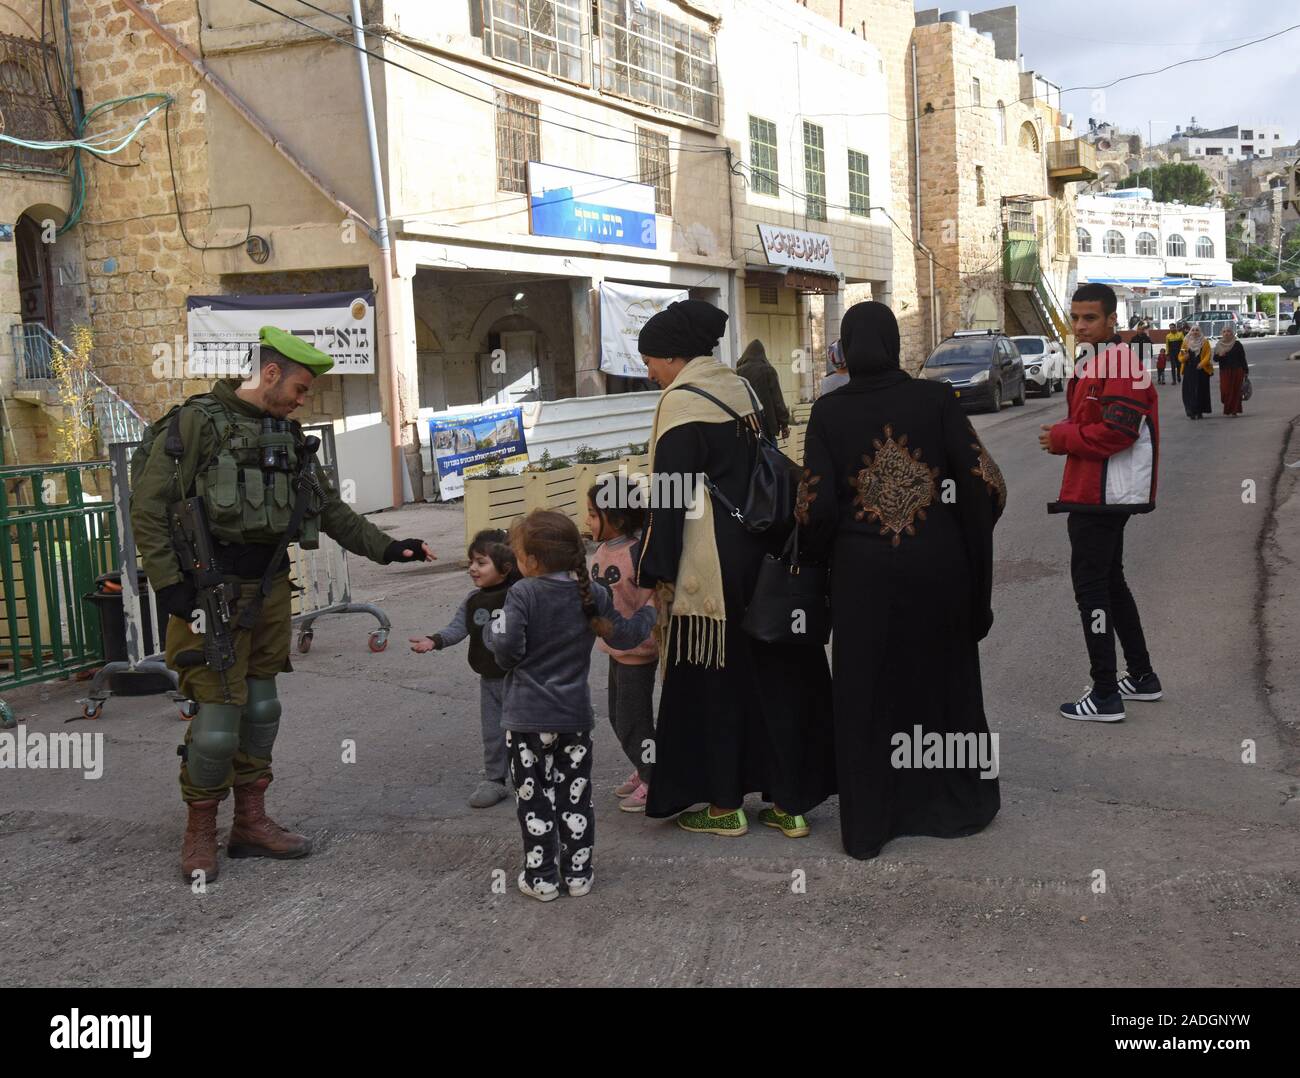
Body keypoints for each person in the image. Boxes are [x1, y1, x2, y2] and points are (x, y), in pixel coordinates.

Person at [130, 326, 433, 883]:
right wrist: (169, 585)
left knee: (263, 710)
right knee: (219, 723)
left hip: (267, 591)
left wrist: (389, 548)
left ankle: (250, 822)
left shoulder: (287, 438)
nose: (302, 399)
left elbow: (329, 510)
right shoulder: (196, 423)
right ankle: (200, 828)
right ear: (269, 373)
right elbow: (149, 506)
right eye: (298, 387)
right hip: (207, 592)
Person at [798, 301, 1005, 860]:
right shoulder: (936, 400)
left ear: (845, 348)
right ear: (893, 345)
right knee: (942, 681)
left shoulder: (829, 413)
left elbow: (813, 511)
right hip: (937, 571)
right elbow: (985, 484)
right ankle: (953, 803)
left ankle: (874, 820)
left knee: (869, 692)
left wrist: (817, 563)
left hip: (862, 581)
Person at [633, 299, 835, 839]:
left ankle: (724, 806)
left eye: (650, 359)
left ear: (674, 357)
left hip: (712, 570)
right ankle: (789, 805)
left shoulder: (680, 404)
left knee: (716, 686)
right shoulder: (739, 388)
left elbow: (672, 497)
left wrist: (653, 569)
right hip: (764, 559)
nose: (648, 371)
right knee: (776, 680)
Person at [485, 510, 657, 902]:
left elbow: (508, 649)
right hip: (574, 720)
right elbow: (625, 635)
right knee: (574, 797)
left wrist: (493, 635)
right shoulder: (592, 592)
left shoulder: (523, 593)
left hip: (527, 719)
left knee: (534, 799)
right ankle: (578, 874)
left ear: (530, 560)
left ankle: (542, 877)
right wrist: (650, 610)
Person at [1039, 283, 1162, 722]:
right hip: (1094, 492)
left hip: (1102, 496)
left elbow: (1120, 431)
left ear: (1113, 320)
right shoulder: (1097, 360)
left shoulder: (1122, 363)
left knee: (1091, 589)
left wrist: (1062, 438)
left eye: (1089, 318)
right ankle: (1143, 677)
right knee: (1111, 582)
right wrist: (1067, 431)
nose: (1079, 325)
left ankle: (1106, 693)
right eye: (1075, 317)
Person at [409, 529, 520, 808]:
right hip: (489, 681)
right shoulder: (473, 600)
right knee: (493, 733)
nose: (472, 568)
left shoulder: (520, 595)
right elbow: (458, 627)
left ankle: (532, 779)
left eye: (481, 562)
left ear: (506, 568)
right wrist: (434, 641)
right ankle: (495, 780)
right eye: (471, 561)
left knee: (526, 732)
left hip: (521, 680)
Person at [585, 473, 657, 813]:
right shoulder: (602, 549)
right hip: (616, 649)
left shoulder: (637, 554)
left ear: (616, 518)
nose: (587, 520)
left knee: (633, 720)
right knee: (616, 716)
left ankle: (652, 777)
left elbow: (652, 601)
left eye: (592, 514)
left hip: (637, 651)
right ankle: (643, 768)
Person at [736, 338, 790, 440]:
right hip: (766, 425)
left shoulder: (738, 372)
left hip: (747, 425)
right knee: (769, 454)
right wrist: (784, 424)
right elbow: (777, 399)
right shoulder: (767, 370)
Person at [1180, 324, 1213, 420]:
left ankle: (1199, 411)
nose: (1195, 332)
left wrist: (1202, 364)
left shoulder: (1205, 342)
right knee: (1189, 391)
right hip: (1189, 369)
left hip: (1201, 370)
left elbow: (1208, 354)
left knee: (1200, 390)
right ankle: (1191, 411)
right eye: (1193, 330)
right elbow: (1181, 354)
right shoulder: (1185, 342)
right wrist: (1183, 358)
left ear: (1200, 332)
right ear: (1190, 331)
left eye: (1197, 330)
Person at [1215, 326, 1249, 417]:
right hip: (1225, 371)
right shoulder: (1219, 344)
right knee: (1225, 390)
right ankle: (1228, 407)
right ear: (1222, 333)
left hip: (1237, 370)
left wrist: (1246, 370)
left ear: (1232, 333)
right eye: (1224, 331)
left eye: (1228, 331)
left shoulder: (1237, 344)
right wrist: (1220, 355)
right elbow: (1215, 359)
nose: (1226, 333)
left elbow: (1242, 358)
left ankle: (1234, 410)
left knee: (1236, 391)